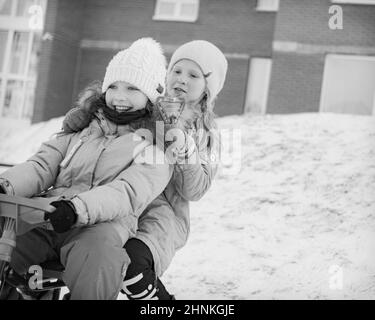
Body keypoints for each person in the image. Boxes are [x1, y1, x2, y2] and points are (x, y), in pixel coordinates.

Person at [0, 37, 172, 300]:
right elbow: (41, 165)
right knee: (9, 240)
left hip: (101, 227)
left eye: (132, 88)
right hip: (49, 216)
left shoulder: (155, 148)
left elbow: (125, 192)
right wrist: (7, 185)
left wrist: (77, 208)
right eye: (113, 86)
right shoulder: (80, 132)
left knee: (101, 258)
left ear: (150, 98)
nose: (120, 97)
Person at [61, 40, 228, 300]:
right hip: (123, 201)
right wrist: (88, 115)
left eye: (193, 75)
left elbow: (195, 190)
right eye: (177, 71)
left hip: (162, 213)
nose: (182, 79)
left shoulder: (208, 134)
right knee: (95, 256)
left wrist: (184, 148)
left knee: (132, 267)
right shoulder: (150, 104)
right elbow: (115, 115)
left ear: (208, 87)